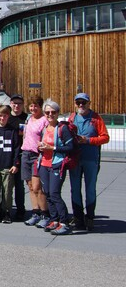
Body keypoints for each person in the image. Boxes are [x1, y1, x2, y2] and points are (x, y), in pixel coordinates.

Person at [68, 92, 109, 231]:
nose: (81, 105)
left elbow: (105, 137)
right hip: (75, 158)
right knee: (74, 188)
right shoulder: (72, 118)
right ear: (75, 104)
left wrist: (89, 140)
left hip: (91, 159)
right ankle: (78, 217)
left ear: (89, 103)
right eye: (78, 102)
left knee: (90, 189)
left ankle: (90, 217)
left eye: (83, 102)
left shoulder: (96, 118)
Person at [38, 99, 75, 235]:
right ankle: (54, 219)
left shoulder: (62, 128)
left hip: (57, 164)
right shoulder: (45, 128)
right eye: (47, 112)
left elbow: (70, 147)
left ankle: (64, 222)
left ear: (58, 113)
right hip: (44, 164)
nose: (50, 114)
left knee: (54, 194)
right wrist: (41, 147)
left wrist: (52, 148)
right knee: (47, 193)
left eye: (53, 112)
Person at [20, 96, 50, 227]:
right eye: (31, 106)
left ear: (40, 107)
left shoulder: (44, 120)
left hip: (36, 155)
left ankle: (45, 214)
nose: (33, 108)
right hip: (26, 153)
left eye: (36, 106)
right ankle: (35, 212)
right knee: (31, 187)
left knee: (38, 187)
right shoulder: (28, 119)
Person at [6, 94, 28, 221]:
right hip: (7, 155)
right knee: (7, 185)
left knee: (19, 185)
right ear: (10, 104)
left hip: (21, 154)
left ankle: (20, 210)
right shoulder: (6, 118)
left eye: (19, 103)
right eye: (14, 103)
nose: (16, 105)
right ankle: (6, 209)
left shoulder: (27, 118)